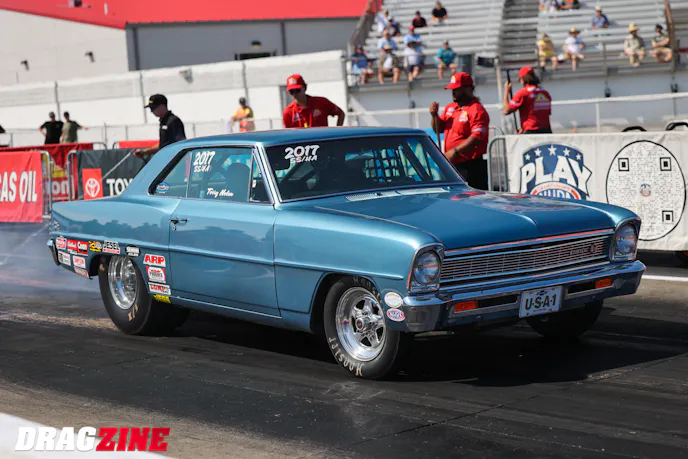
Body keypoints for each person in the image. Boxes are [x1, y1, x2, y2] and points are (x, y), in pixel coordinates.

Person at [429, 72, 490, 190]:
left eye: (456, 89)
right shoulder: (450, 107)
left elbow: (477, 137)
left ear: (468, 89)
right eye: (452, 89)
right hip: (453, 165)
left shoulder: (477, 109)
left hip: (470, 166)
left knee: (472, 197)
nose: (453, 92)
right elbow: (438, 129)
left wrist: (455, 152)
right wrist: (434, 115)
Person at [132, 94, 186, 158]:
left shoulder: (173, 121)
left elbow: (181, 142)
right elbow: (163, 144)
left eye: (153, 108)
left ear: (162, 106)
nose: (151, 111)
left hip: (173, 159)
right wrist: (144, 152)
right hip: (165, 158)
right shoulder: (164, 121)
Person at [503, 66, 553, 134]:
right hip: (547, 132)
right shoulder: (545, 93)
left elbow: (506, 110)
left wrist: (506, 91)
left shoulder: (522, 93)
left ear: (522, 79)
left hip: (531, 133)